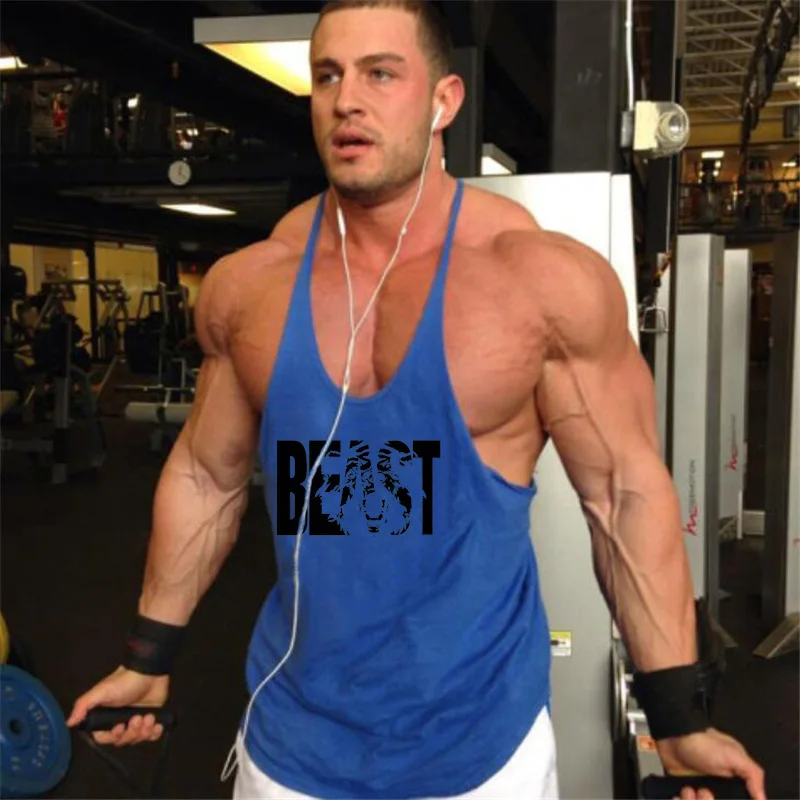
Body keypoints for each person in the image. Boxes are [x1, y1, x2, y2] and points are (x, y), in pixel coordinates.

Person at [67, 2, 767, 799]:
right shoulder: (252, 285)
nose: (347, 100)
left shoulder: (536, 279)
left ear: (444, 100)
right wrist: (148, 654)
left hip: (480, 751)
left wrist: (677, 713)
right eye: (327, 76)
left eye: (380, 74)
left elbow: (623, 493)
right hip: (290, 744)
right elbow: (206, 475)